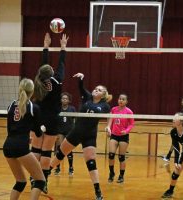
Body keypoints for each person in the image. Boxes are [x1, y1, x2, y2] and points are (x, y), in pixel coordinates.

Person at [50, 72, 111, 200]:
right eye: (95, 88)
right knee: (60, 154)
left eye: (99, 90)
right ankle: (46, 173)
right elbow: (81, 88)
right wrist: (81, 79)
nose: (96, 90)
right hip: (76, 131)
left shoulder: (104, 106)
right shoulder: (87, 97)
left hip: (90, 134)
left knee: (91, 161)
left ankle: (98, 191)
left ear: (103, 95)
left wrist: (108, 126)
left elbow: (107, 114)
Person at [30, 33, 69, 187]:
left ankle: (33, 177)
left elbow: (44, 65)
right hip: (52, 118)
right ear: (51, 72)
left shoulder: (38, 80)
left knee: (36, 149)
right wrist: (63, 47)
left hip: (38, 117)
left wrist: (46, 46)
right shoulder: (57, 79)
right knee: (47, 151)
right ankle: (43, 181)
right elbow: (61, 64)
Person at [3, 78, 46, 200]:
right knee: (40, 180)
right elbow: (38, 133)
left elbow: (11, 128)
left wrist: (25, 137)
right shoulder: (33, 108)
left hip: (8, 145)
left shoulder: (11, 105)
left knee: (20, 181)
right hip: (20, 146)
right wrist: (42, 129)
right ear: (32, 91)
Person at [105, 94, 134, 183]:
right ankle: (111, 173)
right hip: (114, 135)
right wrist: (108, 128)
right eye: (120, 99)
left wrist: (126, 131)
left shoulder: (129, 112)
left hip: (123, 136)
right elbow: (110, 120)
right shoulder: (114, 109)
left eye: (123, 99)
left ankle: (121, 176)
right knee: (111, 155)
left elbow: (131, 124)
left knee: (121, 157)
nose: (121, 100)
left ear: (126, 101)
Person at [161, 112, 183, 198]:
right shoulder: (173, 132)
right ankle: (170, 191)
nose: (173, 119)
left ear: (181, 121)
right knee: (176, 173)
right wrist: (176, 162)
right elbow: (176, 147)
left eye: (175, 118)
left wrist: (179, 161)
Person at [54, 92, 76, 176]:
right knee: (59, 148)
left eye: (66, 98)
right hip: (59, 131)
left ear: (69, 100)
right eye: (63, 98)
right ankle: (57, 167)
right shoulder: (58, 108)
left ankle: (71, 167)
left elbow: (74, 121)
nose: (64, 100)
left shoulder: (72, 109)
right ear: (60, 100)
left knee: (68, 149)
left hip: (69, 131)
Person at [163, 97, 183, 162]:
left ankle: (168, 156)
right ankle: (168, 156)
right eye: (182, 100)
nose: (182, 102)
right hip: (182, 128)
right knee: (174, 141)